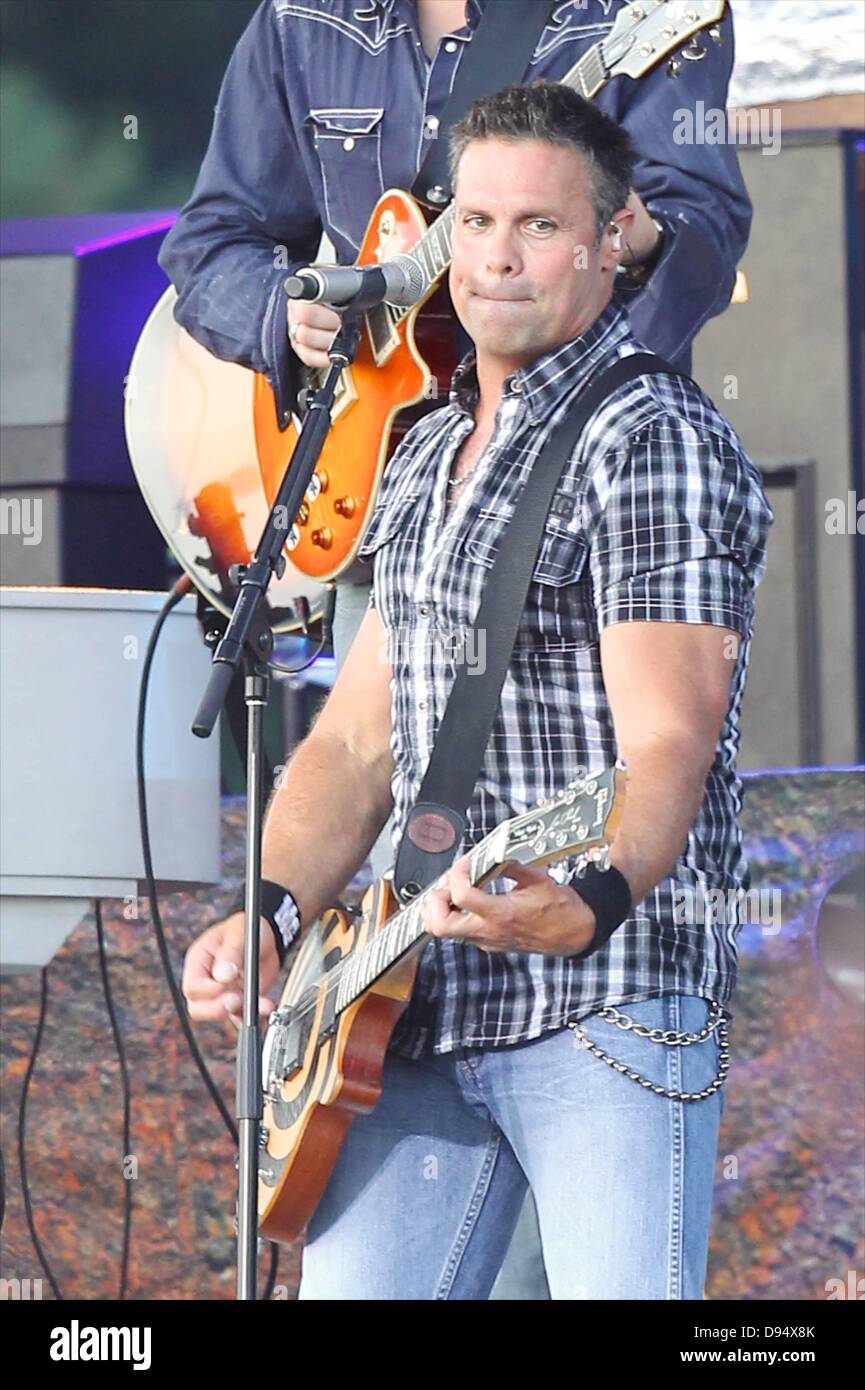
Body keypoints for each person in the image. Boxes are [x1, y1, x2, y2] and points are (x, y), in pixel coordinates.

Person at [160, 2, 751, 1296]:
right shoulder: (420, 456)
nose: (491, 258)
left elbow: (665, 740)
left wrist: (590, 891)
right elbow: (359, 739)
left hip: (601, 997)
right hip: (410, 1005)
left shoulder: (649, 439)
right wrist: (267, 912)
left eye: (538, 225)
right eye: (472, 225)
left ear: (612, 242)